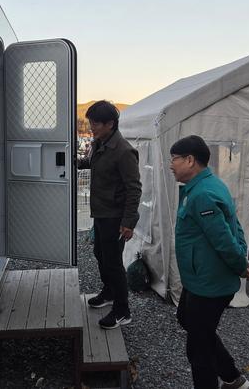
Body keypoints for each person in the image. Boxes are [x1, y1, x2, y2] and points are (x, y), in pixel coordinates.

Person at [169, 135, 249, 389]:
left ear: (190, 160)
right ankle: (232, 377)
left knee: (199, 350)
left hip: (209, 282)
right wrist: (242, 257)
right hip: (199, 278)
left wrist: (242, 265)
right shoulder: (207, 185)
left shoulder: (203, 194)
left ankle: (227, 379)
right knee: (186, 318)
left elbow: (224, 240)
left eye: (174, 159)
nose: (171, 165)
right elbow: (235, 224)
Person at [78, 100, 142, 329]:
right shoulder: (100, 143)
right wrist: (76, 162)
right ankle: (109, 292)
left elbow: (134, 189)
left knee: (114, 262)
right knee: (100, 254)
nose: (91, 127)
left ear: (110, 124)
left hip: (115, 216)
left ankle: (123, 310)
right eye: (91, 122)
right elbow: (94, 164)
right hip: (101, 213)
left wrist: (128, 223)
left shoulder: (124, 151)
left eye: (96, 123)